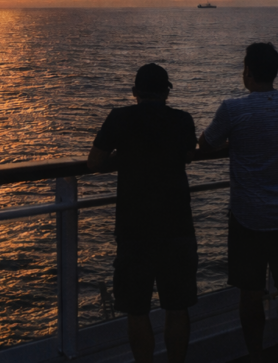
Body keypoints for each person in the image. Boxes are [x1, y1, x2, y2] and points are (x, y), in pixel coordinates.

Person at [200, 42, 278, 363]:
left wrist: (236, 142)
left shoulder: (233, 109)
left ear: (247, 71)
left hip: (249, 216)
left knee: (250, 292)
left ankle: (257, 356)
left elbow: (205, 145)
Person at [87, 63, 198, 363]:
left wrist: (123, 156)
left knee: (137, 310)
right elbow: (188, 154)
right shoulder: (182, 120)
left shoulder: (120, 118)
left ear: (134, 92)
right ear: (166, 92)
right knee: (177, 307)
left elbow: (95, 162)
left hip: (134, 228)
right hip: (177, 225)